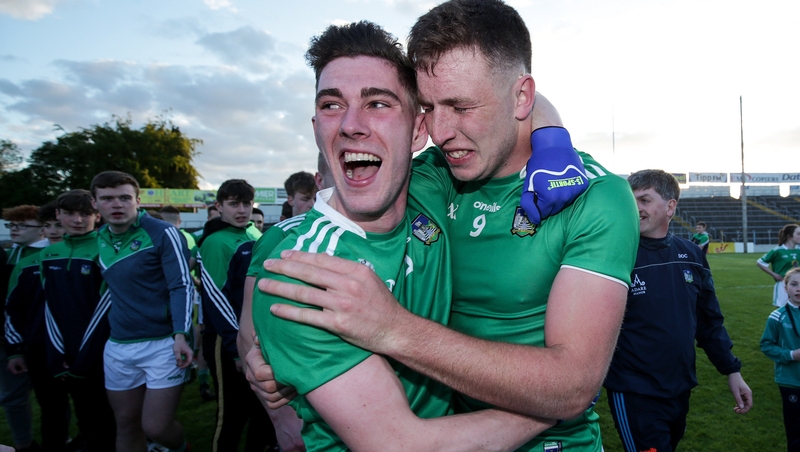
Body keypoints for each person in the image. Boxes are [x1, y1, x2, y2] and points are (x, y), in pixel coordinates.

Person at [254, 3, 640, 449]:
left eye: (461, 106)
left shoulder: (594, 197)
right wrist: (257, 339)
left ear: (521, 98)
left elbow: (572, 384)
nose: (441, 130)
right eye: (430, 108)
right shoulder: (433, 178)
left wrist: (393, 328)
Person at [603, 169, 752, 452]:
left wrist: (732, 371)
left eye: (645, 200)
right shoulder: (615, 253)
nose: (636, 208)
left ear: (671, 207)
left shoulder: (692, 255)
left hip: (680, 387)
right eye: (631, 200)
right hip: (634, 390)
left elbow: (709, 321)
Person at [91, 170, 194, 452]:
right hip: (119, 345)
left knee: (157, 427)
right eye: (107, 198)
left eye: (124, 198)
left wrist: (181, 335)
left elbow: (182, 285)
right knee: (126, 424)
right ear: (95, 204)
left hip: (164, 343)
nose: (116, 205)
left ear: (137, 200)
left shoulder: (163, 233)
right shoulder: (96, 239)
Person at [238, 153, 333, 451]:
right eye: (341, 170)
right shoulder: (283, 234)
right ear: (320, 182)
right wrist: (281, 420)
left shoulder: (405, 229)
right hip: (306, 402)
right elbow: (248, 327)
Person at [197, 179, 276, 451]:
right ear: (219, 206)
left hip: (258, 336)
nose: (241, 210)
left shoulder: (255, 235)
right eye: (233, 204)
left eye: (245, 203)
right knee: (230, 414)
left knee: (264, 410)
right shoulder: (215, 242)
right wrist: (235, 349)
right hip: (225, 340)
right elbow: (216, 299)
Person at [40, 189, 116, 451]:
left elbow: (105, 308)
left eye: (85, 214)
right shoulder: (48, 254)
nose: (77, 220)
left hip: (100, 352)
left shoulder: (105, 249)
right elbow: (49, 306)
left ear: (97, 215)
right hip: (65, 354)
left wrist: (85, 357)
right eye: (70, 213)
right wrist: (56, 352)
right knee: (84, 414)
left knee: (107, 418)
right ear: (58, 214)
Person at [4, 204, 71, 451]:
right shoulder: (26, 263)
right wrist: (15, 349)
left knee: (94, 407)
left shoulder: (95, 255)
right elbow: (13, 308)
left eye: (59, 225)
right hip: (38, 348)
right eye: (48, 226)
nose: (53, 231)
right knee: (50, 407)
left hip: (85, 349)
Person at [1, 206, 43, 451]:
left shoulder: (50, 254)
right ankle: (23, 444)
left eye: (22, 225)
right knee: (12, 397)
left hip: (40, 337)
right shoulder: (10, 254)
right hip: (8, 336)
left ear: (41, 229)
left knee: (53, 398)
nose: (15, 230)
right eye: (12, 225)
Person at [761, 267, 800, 452]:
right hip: (790, 381)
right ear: (785, 288)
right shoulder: (777, 316)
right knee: (795, 431)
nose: (799, 289)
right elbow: (767, 345)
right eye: (794, 284)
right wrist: (791, 355)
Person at [757, 224, 800, 308]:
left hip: (798, 283)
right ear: (790, 236)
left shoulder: (799, 249)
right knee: (782, 309)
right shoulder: (778, 251)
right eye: (798, 234)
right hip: (783, 284)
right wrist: (774, 274)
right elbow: (760, 262)